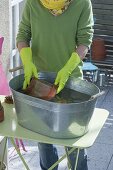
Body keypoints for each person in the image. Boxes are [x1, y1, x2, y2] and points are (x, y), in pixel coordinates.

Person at [16, 0, 94, 169]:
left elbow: (85, 40)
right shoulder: (33, 2)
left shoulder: (82, 3)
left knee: (74, 143)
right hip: (39, 82)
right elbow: (22, 35)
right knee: (44, 141)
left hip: (71, 82)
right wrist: (27, 61)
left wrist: (67, 68)